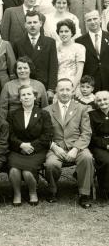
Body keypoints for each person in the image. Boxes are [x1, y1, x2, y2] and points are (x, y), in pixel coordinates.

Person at [44, 78, 94, 208]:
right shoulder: (47, 110)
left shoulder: (82, 108)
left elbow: (86, 133)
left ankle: (84, 194)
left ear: (73, 91)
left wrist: (76, 149)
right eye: (61, 89)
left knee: (87, 158)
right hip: (56, 147)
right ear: (56, 91)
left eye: (68, 89)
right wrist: (54, 147)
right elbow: (43, 134)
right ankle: (52, 191)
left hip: (77, 146)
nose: (65, 92)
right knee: (51, 164)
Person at [7, 85, 53, 206]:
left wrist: (31, 146)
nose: (26, 97)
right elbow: (9, 135)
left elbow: (47, 135)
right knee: (13, 170)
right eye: (23, 95)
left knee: (27, 172)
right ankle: (17, 194)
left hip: (37, 150)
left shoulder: (44, 114)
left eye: (29, 94)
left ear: (34, 97)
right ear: (20, 98)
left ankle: (33, 192)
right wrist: (21, 145)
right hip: (17, 149)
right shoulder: (12, 114)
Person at [13, 10, 58, 100]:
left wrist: (51, 89)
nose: (32, 25)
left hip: (44, 86)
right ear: (25, 25)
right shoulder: (18, 43)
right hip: (25, 88)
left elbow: (53, 66)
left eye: (35, 22)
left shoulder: (50, 42)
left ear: (40, 23)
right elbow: (16, 67)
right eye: (29, 22)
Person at [76, 10, 109, 91]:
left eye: (95, 18)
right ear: (85, 22)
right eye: (89, 20)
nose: (93, 22)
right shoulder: (79, 41)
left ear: (100, 19)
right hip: (91, 84)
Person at [88, 91, 109, 199]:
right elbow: (92, 136)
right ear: (96, 102)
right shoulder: (92, 115)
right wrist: (106, 145)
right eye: (99, 100)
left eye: (105, 99)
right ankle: (104, 189)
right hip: (98, 145)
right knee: (106, 160)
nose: (103, 102)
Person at [56, 19, 85, 91]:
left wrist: (73, 87)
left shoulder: (79, 47)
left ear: (72, 33)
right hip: (58, 84)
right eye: (61, 31)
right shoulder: (55, 48)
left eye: (66, 31)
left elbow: (80, 70)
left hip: (73, 83)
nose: (63, 34)